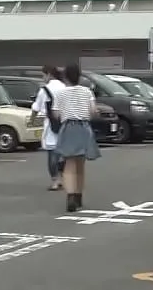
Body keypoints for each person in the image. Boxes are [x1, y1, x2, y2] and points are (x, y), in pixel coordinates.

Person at [53, 63, 101, 212]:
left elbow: (56, 114)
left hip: (68, 127)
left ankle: (71, 197)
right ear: (79, 76)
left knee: (69, 164)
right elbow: (93, 111)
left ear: (65, 77)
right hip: (84, 127)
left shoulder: (60, 93)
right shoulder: (87, 91)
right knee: (80, 164)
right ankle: (79, 197)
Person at [29, 64, 66, 191]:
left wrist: (31, 120)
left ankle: (55, 180)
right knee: (64, 153)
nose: (43, 78)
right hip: (65, 123)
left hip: (51, 124)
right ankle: (61, 178)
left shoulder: (44, 90)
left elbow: (36, 107)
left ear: (49, 74)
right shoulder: (65, 87)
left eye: (43, 75)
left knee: (52, 153)